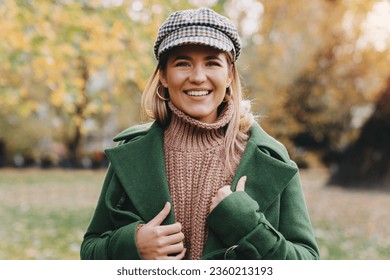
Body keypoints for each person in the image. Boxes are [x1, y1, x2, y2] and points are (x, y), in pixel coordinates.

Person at [80, 7, 319, 260]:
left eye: (212, 63)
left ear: (229, 75)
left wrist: (248, 226)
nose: (197, 77)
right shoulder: (132, 153)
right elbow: (90, 251)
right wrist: (133, 245)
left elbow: (305, 261)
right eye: (183, 63)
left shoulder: (270, 156)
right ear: (163, 75)